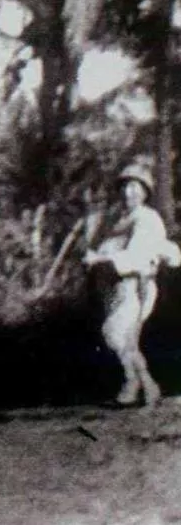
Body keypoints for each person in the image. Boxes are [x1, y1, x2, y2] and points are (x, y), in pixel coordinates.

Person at [84, 162, 174, 407]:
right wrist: (94, 256)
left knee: (116, 334)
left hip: (137, 285)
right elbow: (100, 245)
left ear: (144, 191)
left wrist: (100, 259)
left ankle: (133, 383)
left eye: (134, 187)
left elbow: (136, 255)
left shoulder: (148, 219)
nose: (128, 192)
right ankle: (147, 387)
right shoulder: (115, 219)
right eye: (124, 187)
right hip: (114, 288)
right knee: (126, 340)